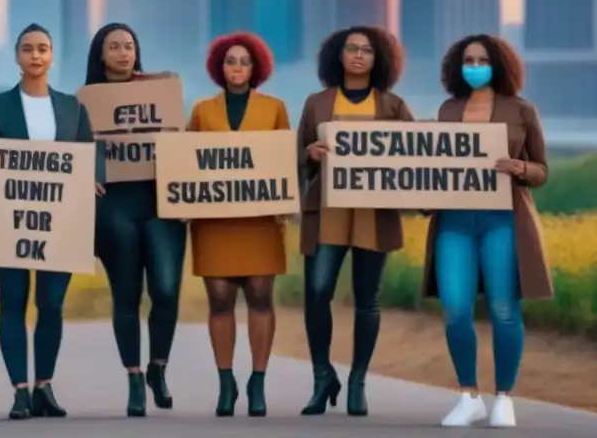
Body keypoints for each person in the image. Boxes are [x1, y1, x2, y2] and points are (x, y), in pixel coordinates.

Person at [0, 23, 103, 420]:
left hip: (61, 223)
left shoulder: (73, 108)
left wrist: (92, 182)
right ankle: (20, 392)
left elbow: (89, 157)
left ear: (52, 55)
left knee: (52, 304)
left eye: (43, 48)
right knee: (13, 301)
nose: (36, 55)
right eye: (28, 49)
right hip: (8, 220)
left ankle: (44, 386)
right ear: (17, 57)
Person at [426, 34, 552, 429]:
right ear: (456, 67)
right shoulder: (448, 109)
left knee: (503, 310)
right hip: (455, 223)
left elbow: (542, 170)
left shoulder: (522, 110)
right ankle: (468, 396)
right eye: (468, 59)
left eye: (482, 59)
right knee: (456, 310)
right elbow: (430, 161)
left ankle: (503, 397)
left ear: (499, 64)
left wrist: (520, 169)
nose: (475, 66)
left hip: (503, 221)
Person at [296, 26, 414, 418]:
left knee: (368, 299)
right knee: (316, 291)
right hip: (328, 209)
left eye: (367, 50)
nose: (359, 55)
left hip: (373, 214)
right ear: (338, 55)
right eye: (352, 48)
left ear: (379, 58)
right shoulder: (317, 103)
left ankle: (358, 380)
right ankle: (321, 375)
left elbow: (418, 159)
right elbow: (298, 157)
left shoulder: (394, 106)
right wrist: (311, 154)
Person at [186, 32, 290, 418]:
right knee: (220, 299)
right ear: (220, 67)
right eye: (231, 61)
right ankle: (226, 381)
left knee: (261, 297)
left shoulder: (275, 108)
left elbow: (282, 161)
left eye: (245, 61)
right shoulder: (201, 110)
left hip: (260, 221)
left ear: (256, 68)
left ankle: (258, 380)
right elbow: (188, 162)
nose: (237, 68)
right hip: (215, 222)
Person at [85, 22, 186, 417]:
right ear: (101, 55)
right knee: (126, 294)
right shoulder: (86, 100)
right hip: (114, 208)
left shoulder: (160, 91)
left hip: (162, 204)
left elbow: (178, 130)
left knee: (165, 289)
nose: (123, 53)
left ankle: (157, 367)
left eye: (129, 46)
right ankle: (133, 379)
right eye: (114, 46)